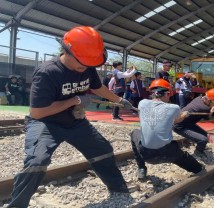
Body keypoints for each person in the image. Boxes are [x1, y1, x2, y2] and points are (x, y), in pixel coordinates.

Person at [7, 26, 134, 208]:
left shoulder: (87, 67)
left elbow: (97, 87)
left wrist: (120, 100)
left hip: (75, 122)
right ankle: (17, 205)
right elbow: (37, 112)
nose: (85, 67)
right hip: (46, 123)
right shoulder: (47, 72)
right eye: (82, 61)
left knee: (102, 149)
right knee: (37, 161)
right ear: (67, 50)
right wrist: (75, 100)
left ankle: (119, 189)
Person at [130, 79, 203, 180]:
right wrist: (184, 115)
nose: (170, 96)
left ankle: (141, 168)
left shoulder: (142, 103)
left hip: (146, 154)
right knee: (193, 165)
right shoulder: (174, 107)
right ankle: (198, 169)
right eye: (169, 94)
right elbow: (176, 121)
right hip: (168, 153)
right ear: (166, 94)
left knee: (134, 133)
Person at [173, 88, 214, 155]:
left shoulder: (199, 98)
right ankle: (198, 153)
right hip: (179, 126)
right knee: (203, 139)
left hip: (187, 123)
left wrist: (213, 107)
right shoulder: (204, 108)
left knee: (205, 135)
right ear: (208, 100)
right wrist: (212, 111)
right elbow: (208, 118)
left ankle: (197, 142)